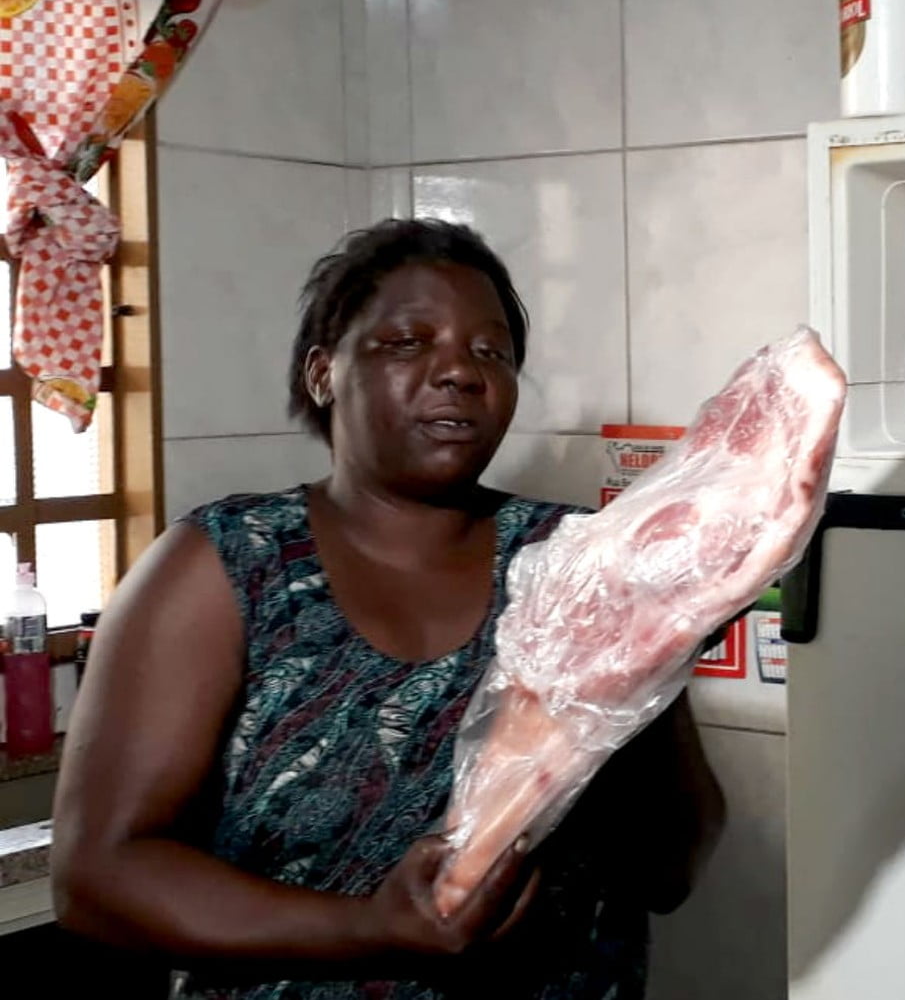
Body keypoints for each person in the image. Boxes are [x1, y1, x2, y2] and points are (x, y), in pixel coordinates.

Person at [50, 219, 726, 998]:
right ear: (322, 374)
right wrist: (368, 929)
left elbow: (669, 872)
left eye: (492, 352)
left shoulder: (575, 564)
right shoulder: (227, 566)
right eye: (407, 342)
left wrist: (654, 660)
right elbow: (97, 876)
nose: (460, 372)